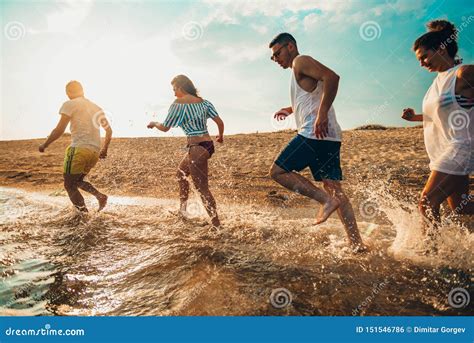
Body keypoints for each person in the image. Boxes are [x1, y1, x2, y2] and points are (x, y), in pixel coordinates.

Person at [268, 33, 365, 252]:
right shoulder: (297, 71)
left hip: (314, 133)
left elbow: (332, 77)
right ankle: (356, 243)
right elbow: (312, 95)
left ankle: (325, 201)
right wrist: (290, 109)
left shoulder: (300, 61)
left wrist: (321, 115)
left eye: (277, 53)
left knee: (277, 172)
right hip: (328, 136)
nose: (276, 59)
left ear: (290, 46)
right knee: (335, 190)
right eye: (272, 57)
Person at [402, 20, 473, 231]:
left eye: (424, 56)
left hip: (461, 148)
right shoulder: (437, 82)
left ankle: (432, 255)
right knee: (462, 206)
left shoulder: (463, 74)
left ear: (441, 49)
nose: (422, 63)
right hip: (443, 151)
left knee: (426, 202)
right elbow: (441, 115)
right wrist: (415, 118)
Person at [147, 75, 224, 228]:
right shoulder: (205, 102)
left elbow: (165, 127)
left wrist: (154, 123)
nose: (174, 93)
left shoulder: (178, 104)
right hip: (207, 145)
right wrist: (220, 136)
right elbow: (219, 122)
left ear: (181, 87)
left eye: (175, 89)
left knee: (202, 189)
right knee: (180, 174)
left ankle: (217, 225)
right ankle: (183, 211)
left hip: (196, 148)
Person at [39, 81, 112, 212]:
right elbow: (109, 130)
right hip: (94, 152)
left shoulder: (69, 104)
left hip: (79, 150)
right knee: (77, 181)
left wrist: (45, 144)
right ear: (82, 90)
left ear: (68, 93)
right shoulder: (96, 107)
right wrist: (104, 149)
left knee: (69, 184)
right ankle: (100, 196)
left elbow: (60, 129)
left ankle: (83, 215)